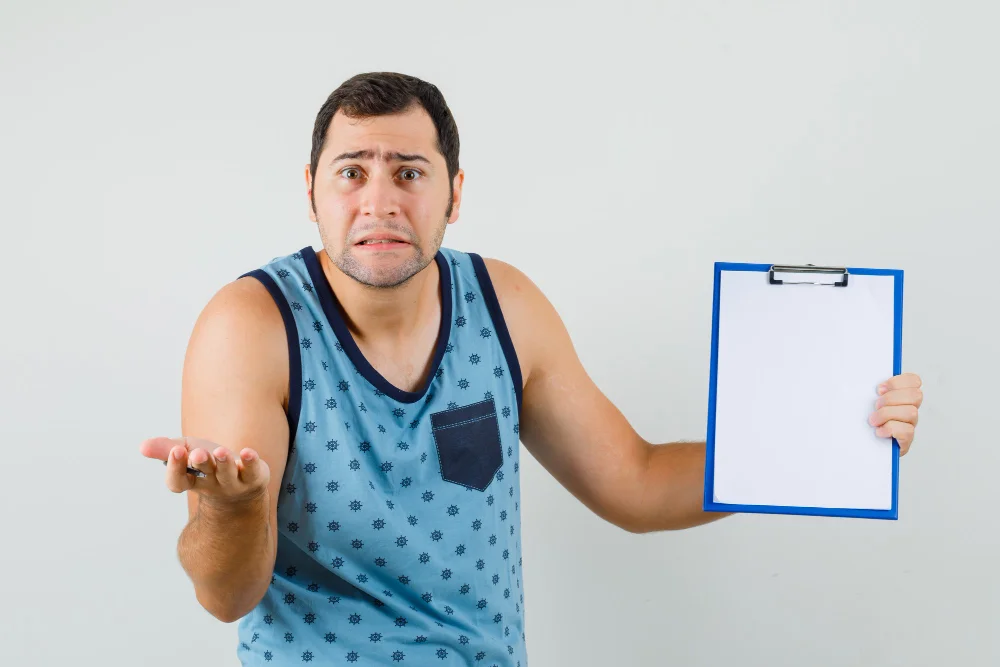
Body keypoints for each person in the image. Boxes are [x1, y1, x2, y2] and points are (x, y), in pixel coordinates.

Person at [139, 72, 924, 666]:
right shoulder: (251, 324)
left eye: (409, 171)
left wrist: (821, 441)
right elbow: (225, 593)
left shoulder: (504, 304)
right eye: (352, 172)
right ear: (311, 191)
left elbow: (639, 481)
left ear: (455, 192)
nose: (379, 201)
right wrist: (233, 512)